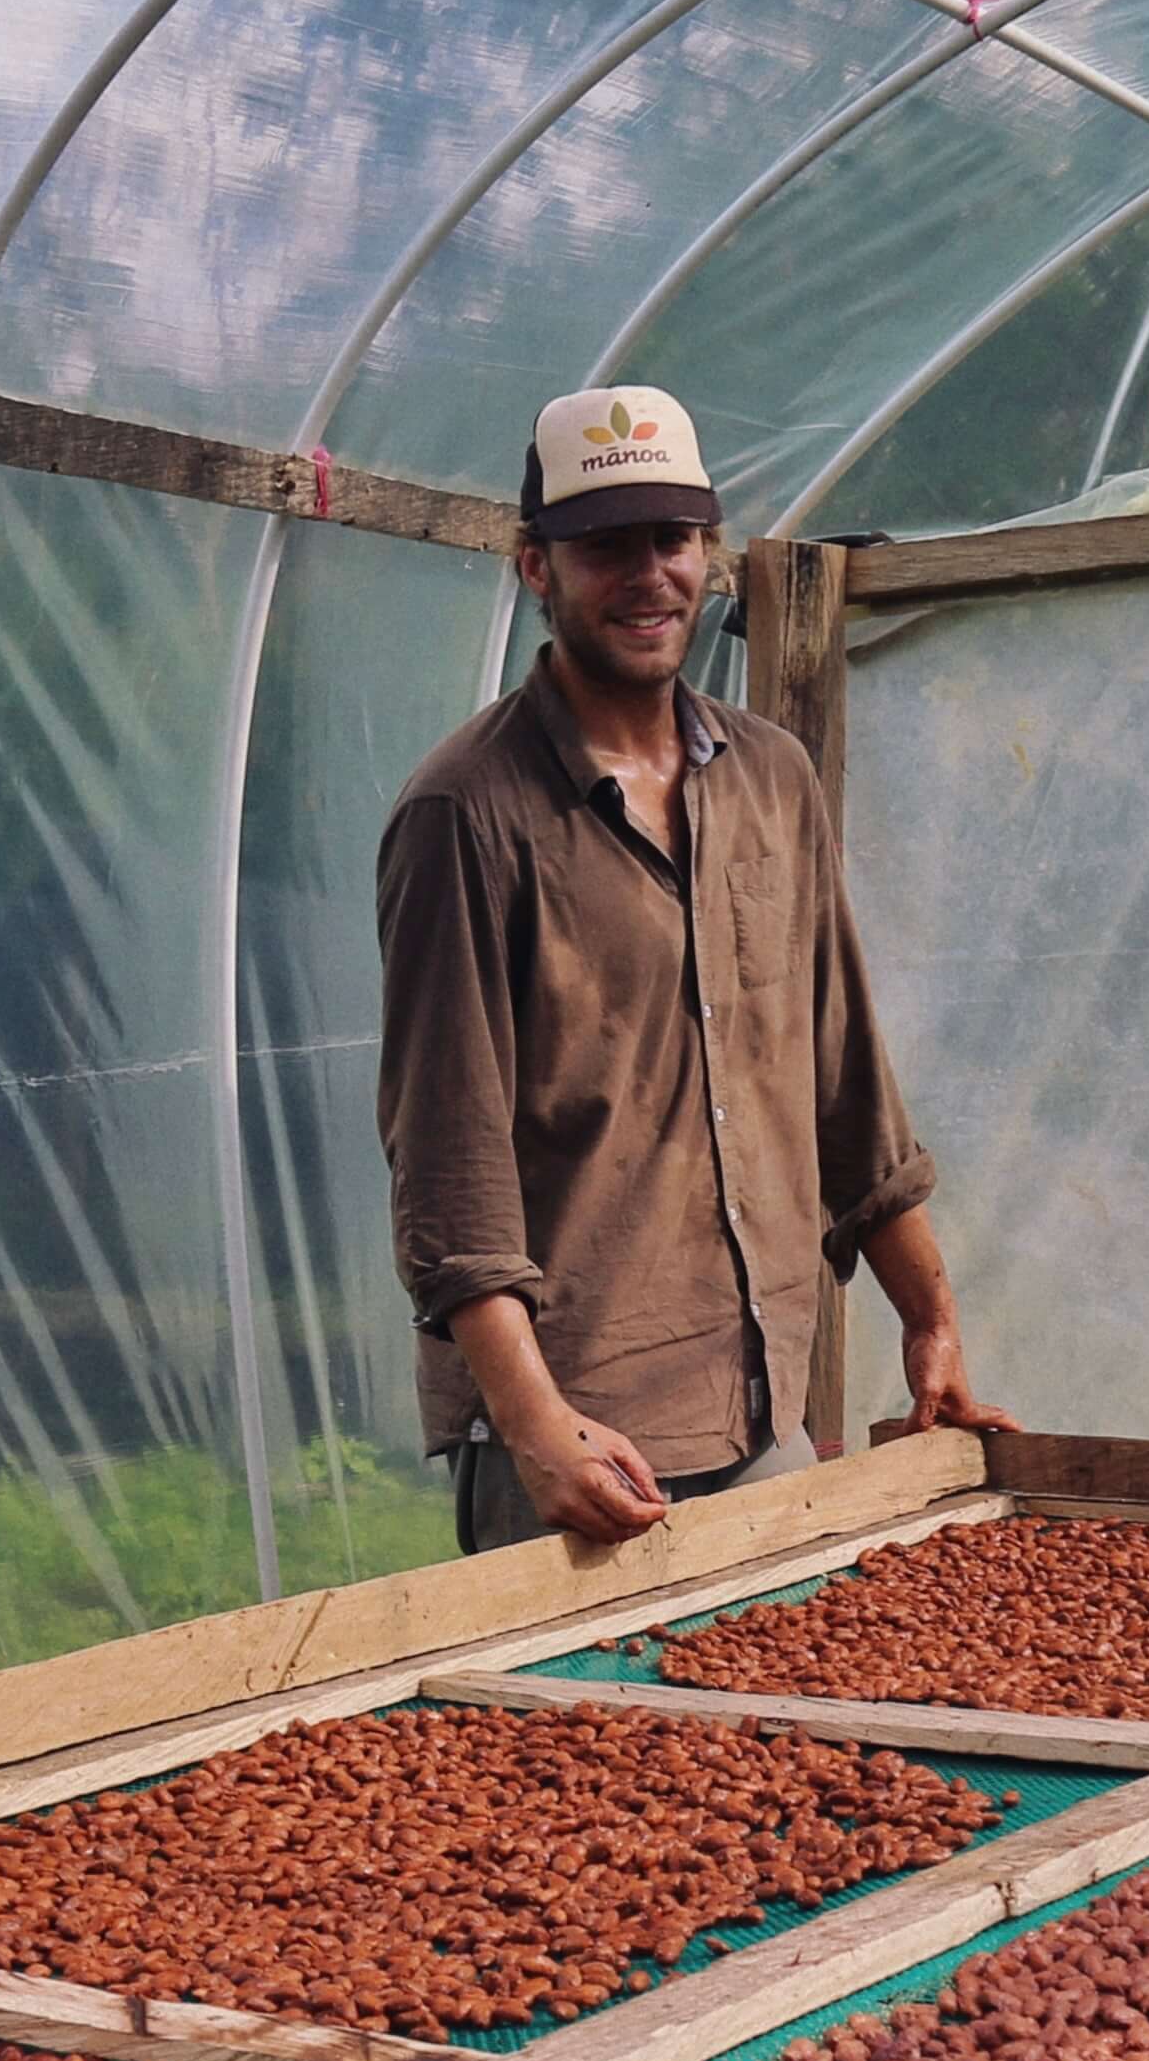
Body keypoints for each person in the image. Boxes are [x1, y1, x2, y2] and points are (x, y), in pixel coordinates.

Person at [376, 384, 1009, 1551]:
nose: (648, 576)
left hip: (766, 1403)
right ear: (536, 569)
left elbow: (843, 1074)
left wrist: (930, 1318)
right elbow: (448, 1160)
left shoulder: (771, 777)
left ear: (710, 556)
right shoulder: (466, 812)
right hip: (580, 1442)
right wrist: (532, 1425)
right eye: (605, 547)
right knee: (589, 1734)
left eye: (672, 541)